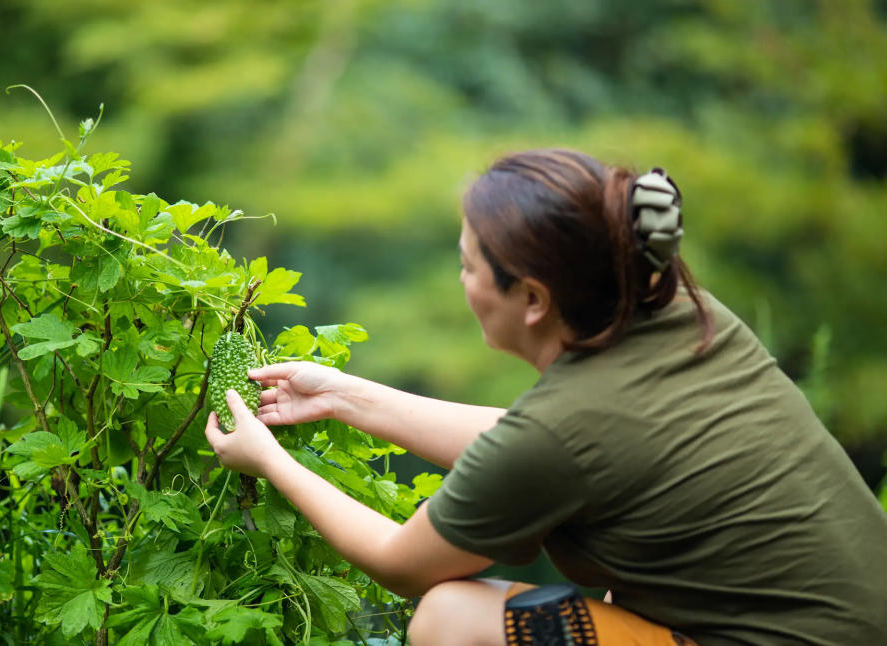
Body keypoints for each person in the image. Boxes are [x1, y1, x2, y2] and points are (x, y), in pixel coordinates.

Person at [204, 149, 887, 645]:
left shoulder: (563, 430)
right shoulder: (676, 308)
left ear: (532, 299)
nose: (461, 277)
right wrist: (349, 398)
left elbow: (401, 564)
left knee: (451, 623)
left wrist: (270, 461)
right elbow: (559, 447)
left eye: (470, 265)